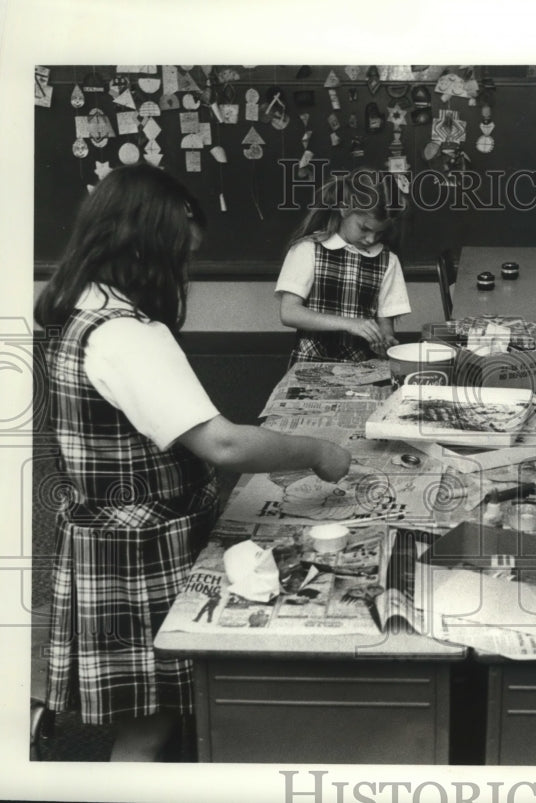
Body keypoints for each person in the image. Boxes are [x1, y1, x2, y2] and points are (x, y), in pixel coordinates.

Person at [35, 164, 352, 762]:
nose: (184, 272)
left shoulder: (79, 307)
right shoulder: (126, 334)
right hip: (137, 546)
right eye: (180, 257)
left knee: (156, 711)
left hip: (107, 532)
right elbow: (224, 445)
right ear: (145, 246)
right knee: (147, 724)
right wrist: (316, 450)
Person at [276, 168, 411, 364]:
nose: (371, 239)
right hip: (309, 367)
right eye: (364, 228)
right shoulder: (308, 249)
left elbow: (385, 323)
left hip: (363, 370)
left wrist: (385, 341)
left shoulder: (388, 260)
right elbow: (289, 313)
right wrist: (349, 324)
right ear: (344, 208)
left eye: (380, 233)